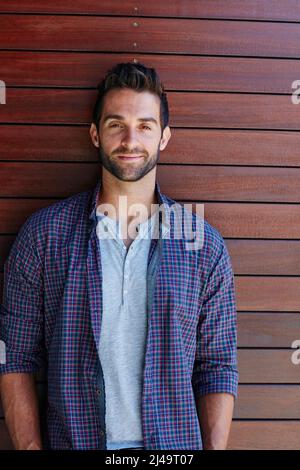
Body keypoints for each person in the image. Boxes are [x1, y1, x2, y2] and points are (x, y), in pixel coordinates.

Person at [0, 62, 238, 450]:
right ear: (95, 134)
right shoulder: (44, 236)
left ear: (164, 137)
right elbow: (15, 357)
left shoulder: (203, 246)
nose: (131, 139)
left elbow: (218, 367)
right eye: (116, 124)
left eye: (145, 125)